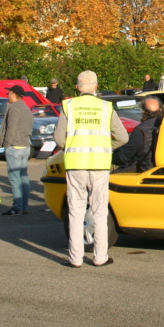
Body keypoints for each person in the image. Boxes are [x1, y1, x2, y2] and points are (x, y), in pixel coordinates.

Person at [54, 70, 129, 268]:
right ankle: (100, 257)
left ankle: (75, 258)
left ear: (77, 88)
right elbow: (123, 137)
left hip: (76, 164)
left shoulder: (69, 106)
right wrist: (105, 148)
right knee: (99, 210)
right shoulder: (106, 107)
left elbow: (59, 139)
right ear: (96, 87)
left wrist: (71, 147)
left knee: (76, 211)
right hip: (99, 164)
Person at [0, 85, 34, 216]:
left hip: (15, 147)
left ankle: (17, 207)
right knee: (23, 177)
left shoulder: (14, 108)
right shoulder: (25, 108)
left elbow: (11, 128)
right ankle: (24, 206)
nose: (7, 96)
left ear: (13, 94)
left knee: (15, 179)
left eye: (9, 94)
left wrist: (6, 145)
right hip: (25, 146)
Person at [113, 96, 164, 173]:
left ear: (143, 112)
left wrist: (112, 156)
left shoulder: (141, 130)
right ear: (161, 110)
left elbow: (124, 157)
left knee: (111, 177)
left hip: (145, 169)